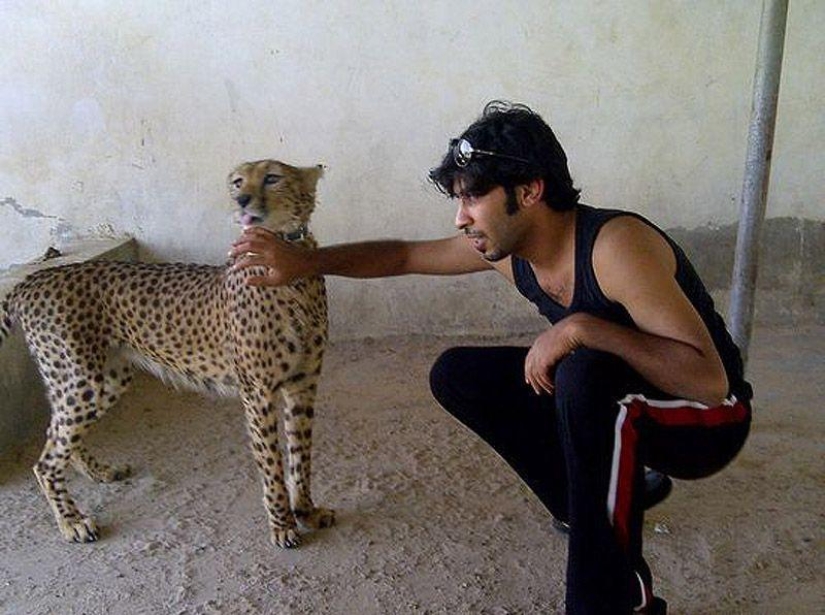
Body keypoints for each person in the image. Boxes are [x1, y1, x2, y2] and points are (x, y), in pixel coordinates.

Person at [230, 101, 752, 614]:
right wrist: (305, 262)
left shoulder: (614, 247)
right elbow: (404, 255)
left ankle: (614, 602)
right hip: (630, 402)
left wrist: (581, 327)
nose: (461, 218)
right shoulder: (506, 251)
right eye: (458, 200)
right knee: (459, 375)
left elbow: (709, 382)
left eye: (474, 198)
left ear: (529, 192)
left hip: (708, 422)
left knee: (585, 372)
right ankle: (584, 504)